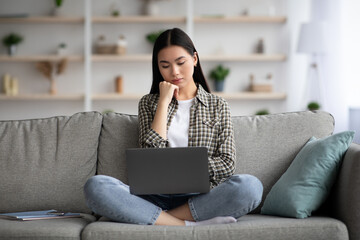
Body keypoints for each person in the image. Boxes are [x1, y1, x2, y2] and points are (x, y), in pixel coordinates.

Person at [84, 28, 263, 226]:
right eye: (165, 65)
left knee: (250, 186)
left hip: (201, 197)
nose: (174, 72)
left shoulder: (218, 105)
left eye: (180, 62)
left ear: (194, 59)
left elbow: (227, 163)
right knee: (96, 186)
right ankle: (186, 224)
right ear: (158, 68)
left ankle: (153, 217)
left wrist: (185, 168)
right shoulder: (149, 103)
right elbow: (149, 158)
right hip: (152, 196)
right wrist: (163, 102)